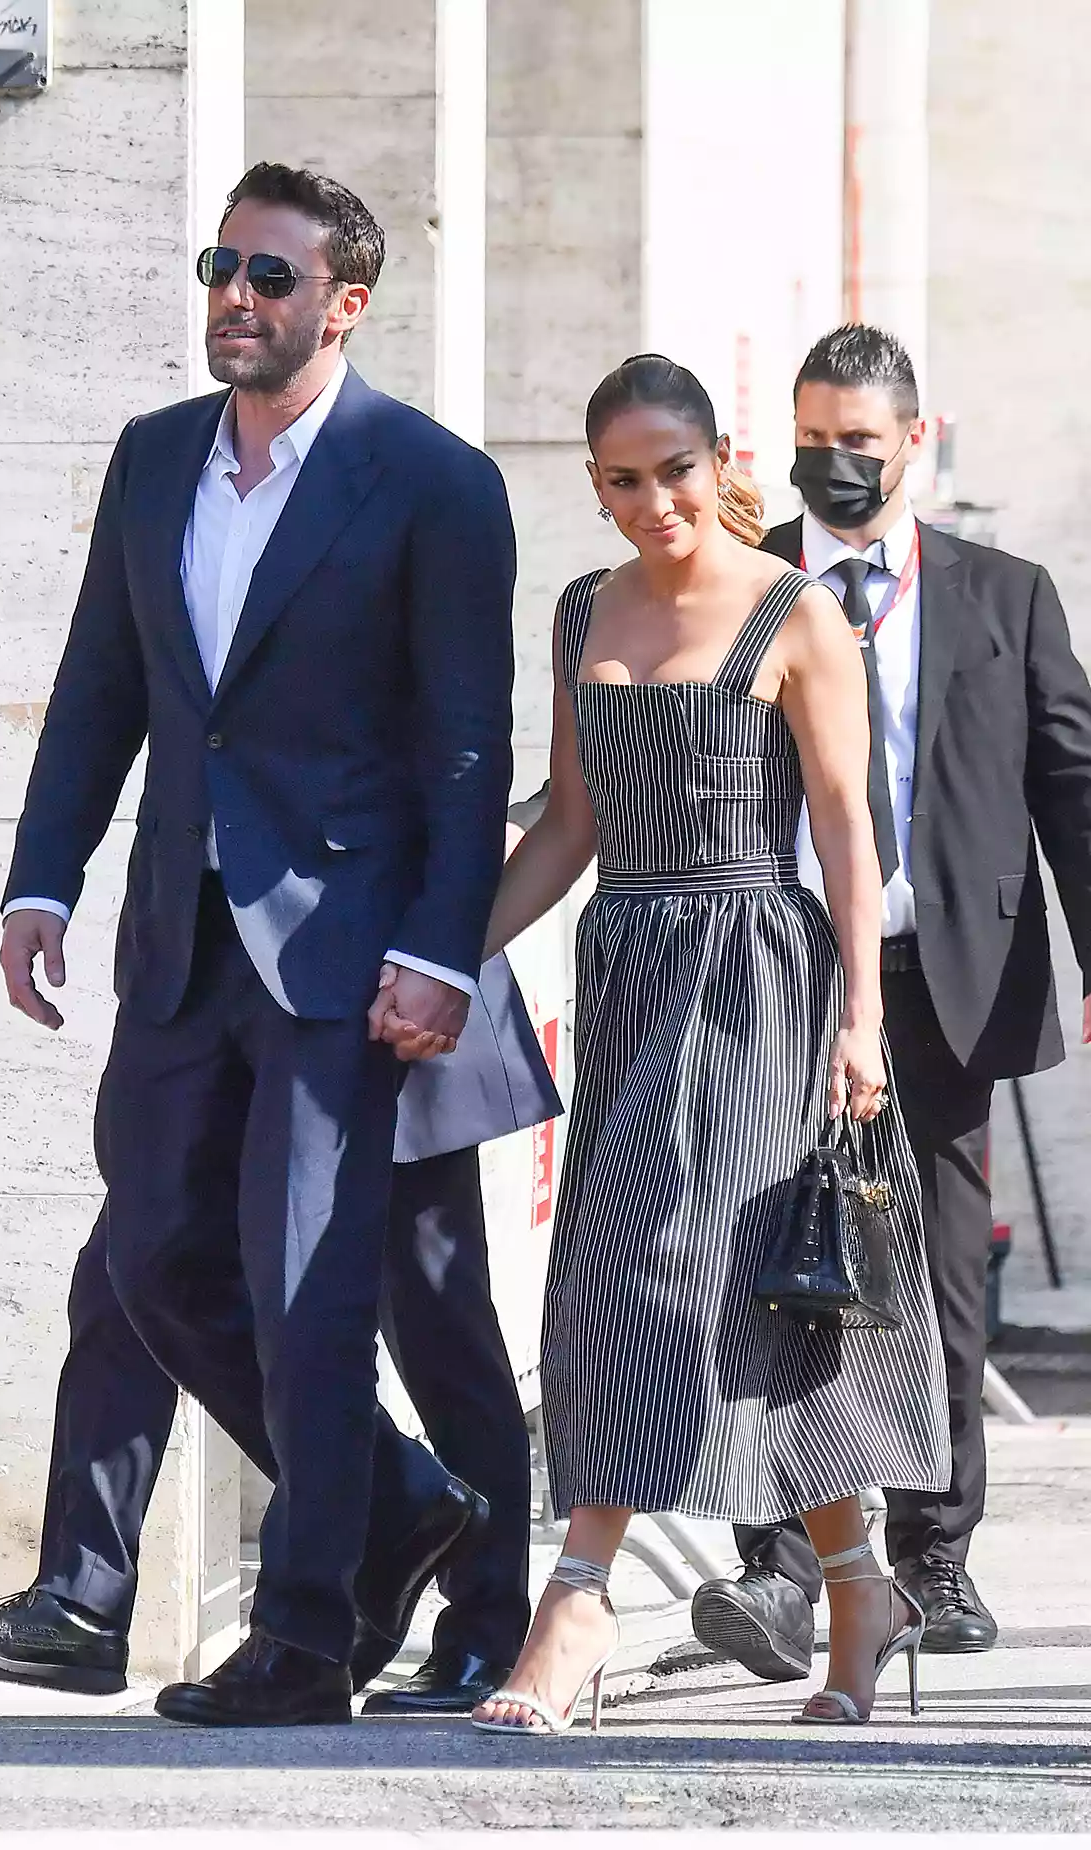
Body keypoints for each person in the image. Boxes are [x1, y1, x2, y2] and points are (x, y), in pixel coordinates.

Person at [0, 163, 516, 1727]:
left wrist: (439, 947)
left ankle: (302, 1640)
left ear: (344, 304)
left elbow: (467, 748)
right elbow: (102, 686)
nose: (237, 293)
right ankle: (396, 1497)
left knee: (310, 1290)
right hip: (179, 935)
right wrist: (42, 881)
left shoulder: (431, 479)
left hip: (347, 950)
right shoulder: (154, 460)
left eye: (271, 276)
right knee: (151, 1252)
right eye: (223, 263)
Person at [469, 352, 950, 1734]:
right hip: (627, 964)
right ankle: (857, 1580)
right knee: (651, 1278)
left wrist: (862, 1015)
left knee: (698, 1274)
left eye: (674, 469)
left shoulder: (798, 614)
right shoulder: (581, 612)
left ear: (720, 455)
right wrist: (453, 960)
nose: (652, 501)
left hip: (759, 978)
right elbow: (567, 824)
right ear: (596, 484)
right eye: (621, 480)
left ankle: (577, 1599)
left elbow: (853, 829)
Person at [689, 323, 1091, 1677]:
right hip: (773, 965)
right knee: (762, 1246)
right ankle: (780, 1563)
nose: (838, 463)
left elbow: (1071, 787)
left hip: (939, 977)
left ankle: (933, 1555)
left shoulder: (1004, 595)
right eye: (816, 440)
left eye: (861, 441)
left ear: (914, 439)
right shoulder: (744, 587)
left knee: (935, 1258)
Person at [0, 951, 561, 1716]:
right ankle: (84, 1598)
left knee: (434, 1319)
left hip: (392, 995)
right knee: (130, 1275)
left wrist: (435, 957)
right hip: (236, 1008)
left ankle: (482, 1629)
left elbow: (468, 836)